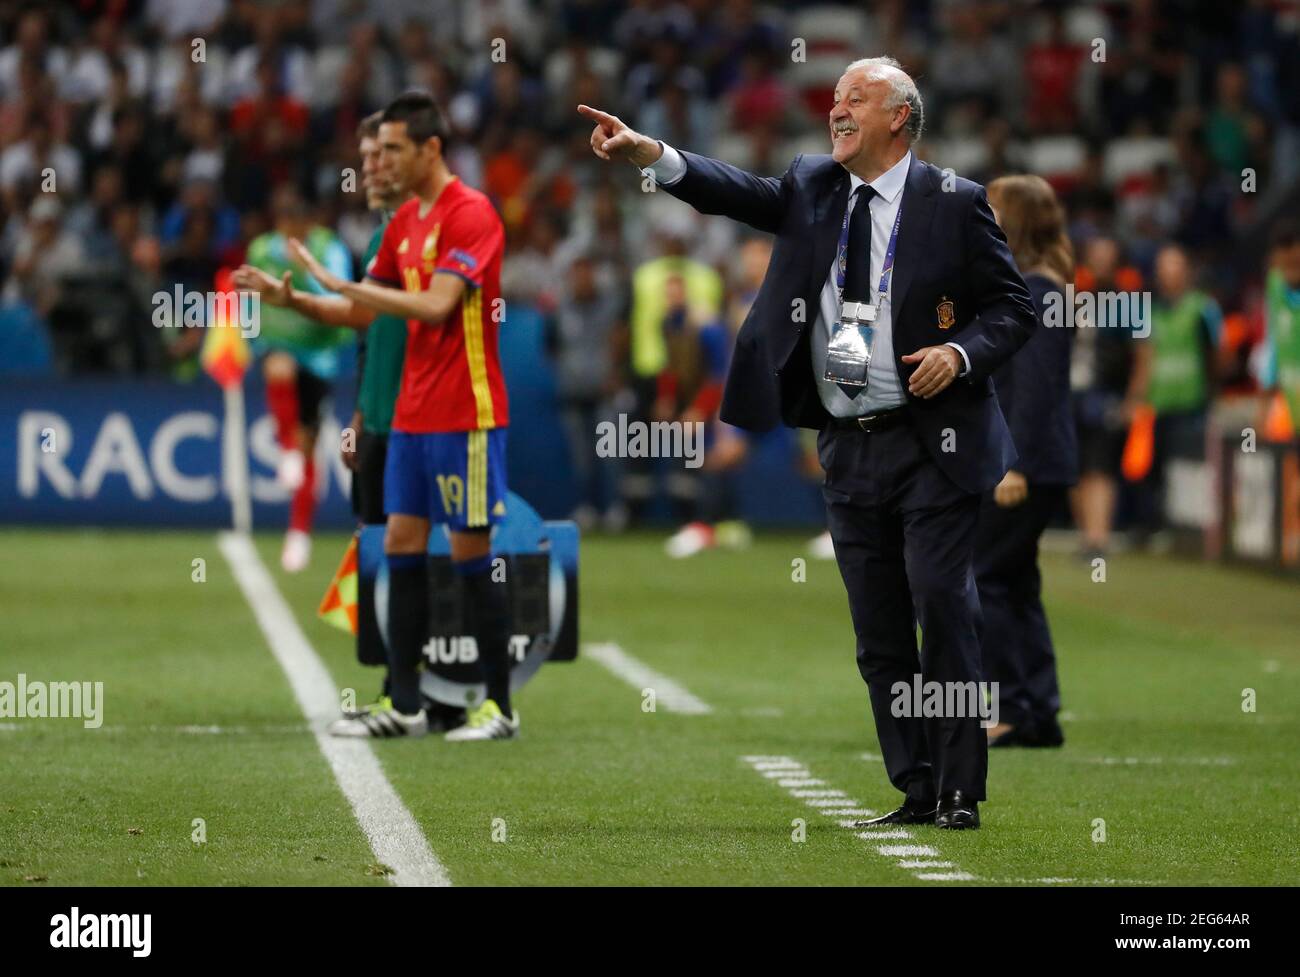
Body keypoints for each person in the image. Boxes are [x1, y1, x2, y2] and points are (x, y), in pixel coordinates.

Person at [579, 55, 1036, 829]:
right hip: (848, 444)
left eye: (855, 97)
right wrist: (649, 154)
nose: (837, 110)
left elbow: (1014, 308)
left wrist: (958, 355)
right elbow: (732, 190)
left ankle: (962, 786)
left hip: (935, 441)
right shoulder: (813, 184)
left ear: (900, 115)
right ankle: (916, 783)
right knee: (879, 630)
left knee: (942, 602)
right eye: (832, 98)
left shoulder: (955, 203)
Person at [247, 91, 516, 742]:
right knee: (398, 541)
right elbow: (365, 315)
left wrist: (341, 284)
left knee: (469, 551)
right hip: (412, 413)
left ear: (431, 149)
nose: (382, 160)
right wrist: (300, 300)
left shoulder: (471, 213)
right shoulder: (402, 225)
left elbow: (434, 306)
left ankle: (500, 708)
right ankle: (404, 701)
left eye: (394, 148)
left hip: (466, 411)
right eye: (379, 149)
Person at [976, 175, 1078, 749]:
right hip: (1043, 459)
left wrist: (1010, 464)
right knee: (1016, 582)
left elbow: (1033, 388)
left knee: (986, 577)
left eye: (992, 208)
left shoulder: (1036, 292)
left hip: (1023, 463)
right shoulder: (1049, 286)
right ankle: (1039, 709)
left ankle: (1009, 709)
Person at [244, 184, 354, 573]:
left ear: (309, 223)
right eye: (283, 224)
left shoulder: (329, 250)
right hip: (281, 345)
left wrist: (305, 275)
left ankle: (299, 532)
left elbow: (341, 299)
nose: (289, 233)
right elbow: (247, 294)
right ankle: (287, 449)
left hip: (320, 354)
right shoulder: (260, 250)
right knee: (278, 366)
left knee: (310, 449)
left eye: (297, 224)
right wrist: (250, 336)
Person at [1132, 244, 1221, 540]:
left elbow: (1217, 356)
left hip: (1192, 405)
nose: (1168, 273)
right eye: (1163, 267)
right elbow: (1143, 359)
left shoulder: (1203, 309)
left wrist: (1215, 397)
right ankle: (1155, 528)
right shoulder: (1149, 311)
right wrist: (1136, 399)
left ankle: (1194, 534)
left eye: (1175, 266)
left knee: (1192, 471)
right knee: (1151, 472)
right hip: (1157, 405)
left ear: (1187, 271)